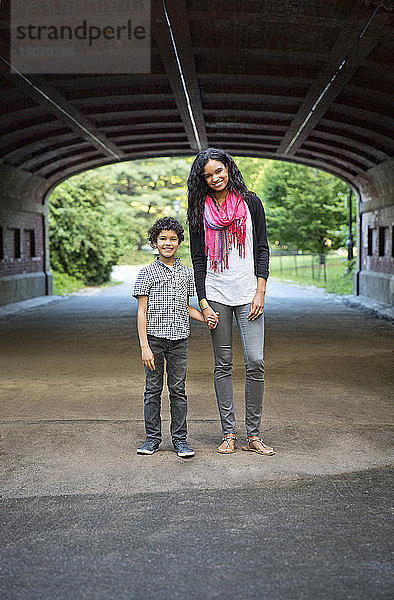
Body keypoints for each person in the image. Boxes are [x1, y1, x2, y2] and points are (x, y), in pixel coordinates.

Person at [187, 148, 275, 456]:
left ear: (229, 168)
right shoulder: (200, 209)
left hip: (248, 293)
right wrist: (203, 302)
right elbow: (198, 259)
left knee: (255, 361)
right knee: (223, 364)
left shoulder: (251, 203)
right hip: (217, 294)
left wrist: (260, 291)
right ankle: (228, 433)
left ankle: (254, 435)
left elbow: (262, 249)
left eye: (218, 172)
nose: (214, 179)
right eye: (207, 176)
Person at [133, 216, 216, 458]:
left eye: (172, 239)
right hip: (154, 341)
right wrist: (144, 346)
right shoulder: (146, 273)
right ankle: (152, 439)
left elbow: (186, 307)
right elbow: (141, 312)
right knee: (152, 390)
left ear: (179, 242)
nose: (167, 243)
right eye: (162, 239)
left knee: (178, 389)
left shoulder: (186, 274)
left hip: (179, 340)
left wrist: (205, 318)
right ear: (154, 242)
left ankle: (180, 440)